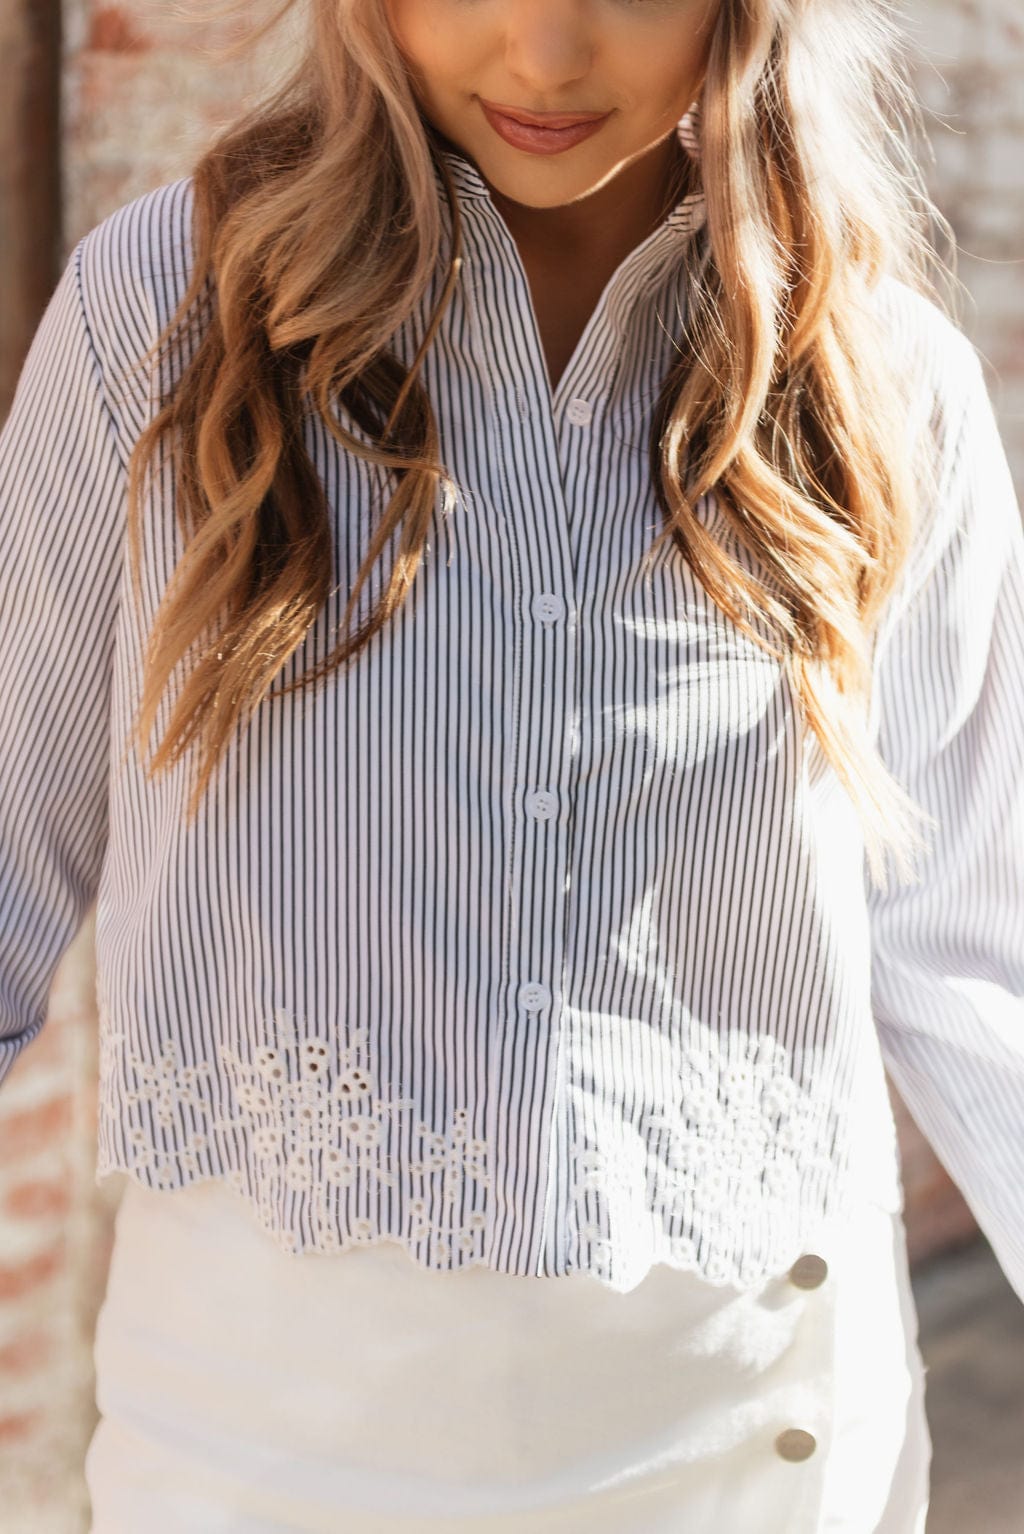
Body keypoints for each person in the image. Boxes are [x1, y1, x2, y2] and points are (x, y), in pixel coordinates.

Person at [1, 0, 1022, 1529]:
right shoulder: (159, 324)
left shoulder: (881, 376)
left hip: (757, 1443)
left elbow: (977, 953)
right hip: (264, 1450)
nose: (543, 56)